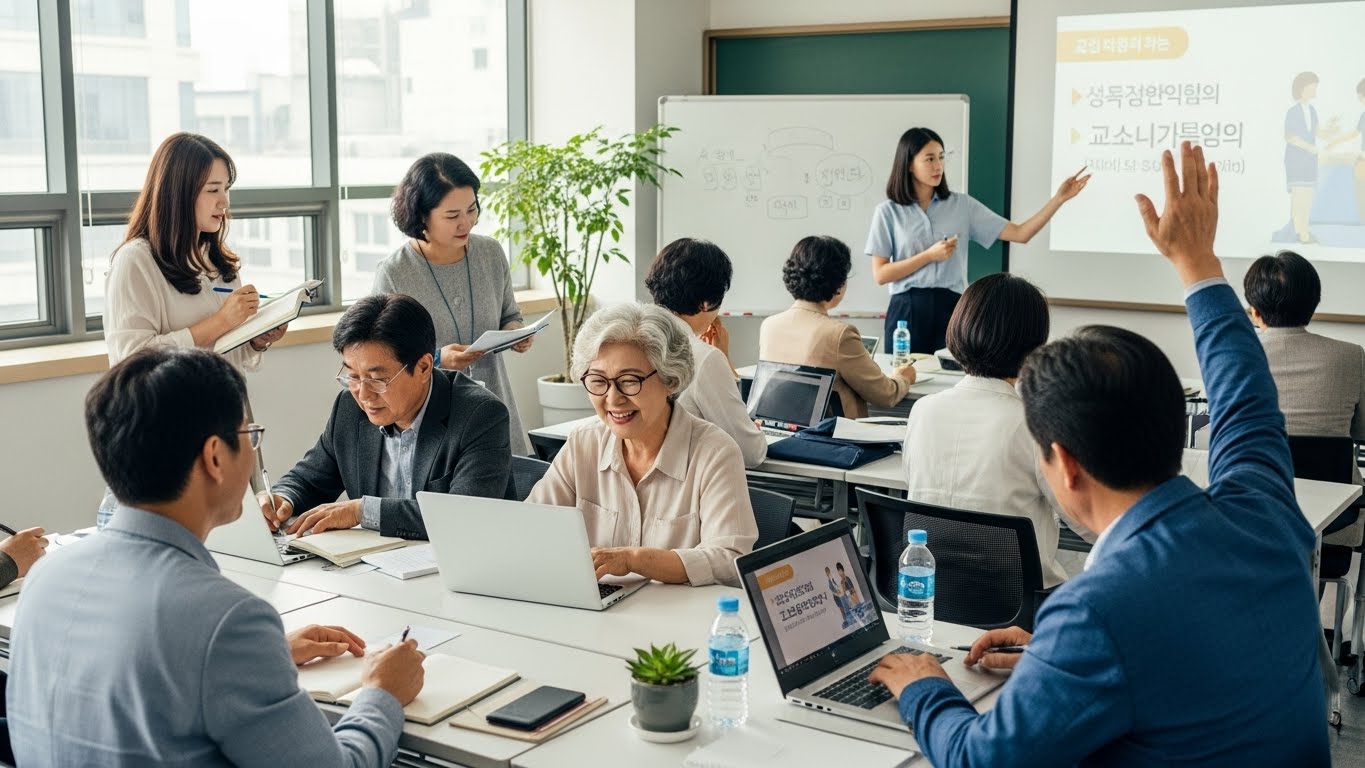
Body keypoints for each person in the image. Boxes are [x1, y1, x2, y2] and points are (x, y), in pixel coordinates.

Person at [867, 143, 1329, 766]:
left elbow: (983, 760)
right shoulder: (1263, 510)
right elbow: (1247, 398)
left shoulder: (1097, 610)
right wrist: (1199, 265)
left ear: (1064, 461)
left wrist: (921, 683)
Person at [7, 347, 426, 766]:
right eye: (250, 436)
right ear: (214, 457)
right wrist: (383, 693)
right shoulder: (226, 618)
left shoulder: (47, 575)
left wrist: (263, 657)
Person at [98, 132, 286, 527]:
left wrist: (256, 338)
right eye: (213, 190)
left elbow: (227, 353)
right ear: (179, 193)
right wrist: (220, 322)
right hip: (168, 436)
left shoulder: (218, 261)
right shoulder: (136, 262)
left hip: (224, 425)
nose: (225, 202)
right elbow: (131, 362)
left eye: (227, 189)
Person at [528, 302, 757, 587]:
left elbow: (728, 559)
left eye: (629, 381)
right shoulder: (583, 444)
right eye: (598, 381)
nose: (613, 399)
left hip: (678, 621)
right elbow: (532, 528)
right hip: (597, 616)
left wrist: (633, 560)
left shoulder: (714, 453)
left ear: (670, 379)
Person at [260, 294, 512, 540]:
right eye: (353, 377)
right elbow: (310, 479)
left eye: (377, 379)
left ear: (424, 367)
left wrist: (362, 512)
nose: (363, 394)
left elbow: (462, 515)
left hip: (454, 569)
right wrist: (284, 498)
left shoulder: (480, 415)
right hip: (375, 571)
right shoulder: (349, 408)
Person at [901, 272, 1090, 588]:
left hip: (931, 592)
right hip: (1018, 607)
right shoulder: (1035, 424)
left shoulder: (923, 410)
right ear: (1036, 345)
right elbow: (1088, 521)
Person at [865, 126, 1089, 353]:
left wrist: (1059, 199)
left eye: (941, 157)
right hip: (907, 309)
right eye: (929, 159)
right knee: (903, 378)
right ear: (909, 164)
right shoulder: (888, 212)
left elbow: (1021, 233)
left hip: (952, 307)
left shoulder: (962, 205)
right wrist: (928, 256)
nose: (938, 166)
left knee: (952, 378)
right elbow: (881, 274)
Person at [373, 153, 532, 454]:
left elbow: (510, 314)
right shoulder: (394, 273)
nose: (466, 222)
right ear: (421, 215)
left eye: (471, 210)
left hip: (495, 408)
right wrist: (439, 358)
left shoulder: (490, 253)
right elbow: (379, 362)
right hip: (432, 426)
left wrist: (517, 332)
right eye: (452, 215)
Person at [1243, 250, 1364, 546]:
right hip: (1335, 519)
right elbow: (1362, 432)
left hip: (1250, 513)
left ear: (1254, 311)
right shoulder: (1351, 356)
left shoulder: (1233, 356)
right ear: (1314, 304)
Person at [760, 236, 916, 418]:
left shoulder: (769, 326)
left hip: (785, 436)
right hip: (837, 439)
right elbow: (885, 395)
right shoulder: (839, 334)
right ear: (839, 283)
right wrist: (903, 377)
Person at [644, 238, 766, 467]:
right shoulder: (703, 357)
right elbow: (752, 454)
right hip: (687, 486)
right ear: (706, 302)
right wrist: (721, 360)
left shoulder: (631, 339)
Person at [1284, 72, 1329, 244]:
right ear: (1302, 88)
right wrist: (1309, 147)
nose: (1315, 89)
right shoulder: (1293, 111)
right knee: (1298, 196)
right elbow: (1290, 136)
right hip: (1296, 160)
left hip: (1310, 161)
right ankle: (1299, 233)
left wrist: (1331, 131)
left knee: (1308, 196)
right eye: (1313, 86)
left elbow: (1317, 132)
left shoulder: (1312, 110)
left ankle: (1304, 231)